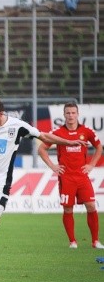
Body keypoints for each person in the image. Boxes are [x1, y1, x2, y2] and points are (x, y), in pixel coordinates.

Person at [0, 97, 87, 273]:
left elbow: (43, 136)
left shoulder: (17, 126)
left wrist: (69, 142)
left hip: (1, 182)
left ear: (0, 114)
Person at [37, 102, 103, 249]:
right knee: (68, 208)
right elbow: (41, 149)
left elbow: (99, 147)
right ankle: (72, 241)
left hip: (82, 176)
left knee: (91, 205)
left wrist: (92, 164)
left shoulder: (87, 131)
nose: (71, 116)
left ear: (78, 114)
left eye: (73, 113)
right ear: (64, 115)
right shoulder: (58, 132)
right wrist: (53, 166)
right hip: (66, 177)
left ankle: (95, 241)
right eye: (68, 113)